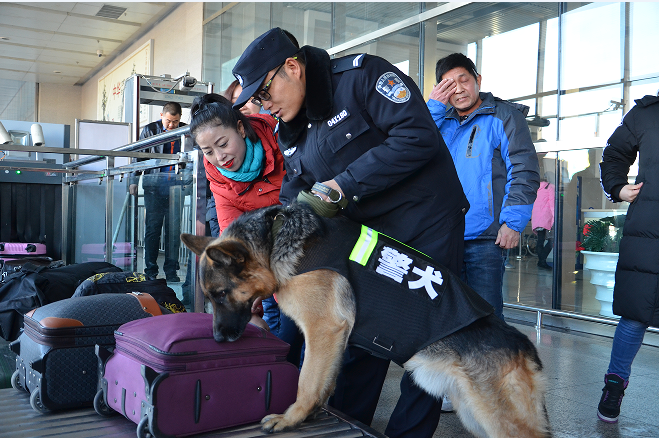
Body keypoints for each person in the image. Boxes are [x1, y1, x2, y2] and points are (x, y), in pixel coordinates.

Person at [231, 27, 470, 438]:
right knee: (360, 336)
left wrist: (345, 183)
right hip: (371, 242)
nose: (263, 106)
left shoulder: (363, 77)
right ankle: (345, 428)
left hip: (426, 223)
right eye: (256, 100)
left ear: (292, 68)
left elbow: (418, 137)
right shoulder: (292, 130)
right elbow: (295, 198)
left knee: (428, 345)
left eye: (264, 93)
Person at [427, 53, 540, 320]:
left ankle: (493, 364)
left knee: (485, 320)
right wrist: (433, 108)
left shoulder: (505, 117)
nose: (458, 89)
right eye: (448, 84)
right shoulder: (438, 122)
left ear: (477, 80)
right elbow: (411, 148)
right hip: (442, 237)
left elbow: (524, 170)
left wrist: (513, 223)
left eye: (463, 80)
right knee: (441, 317)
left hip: (485, 239)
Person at [189, 92, 285, 332]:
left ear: (241, 129)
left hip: (301, 251)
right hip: (265, 261)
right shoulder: (217, 178)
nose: (219, 158)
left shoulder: (281, 137)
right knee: (272, 319)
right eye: (208, 151)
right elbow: (232, 239)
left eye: (223, 144)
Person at [596, 92, 659, 424]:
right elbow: (615, 152)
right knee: (635, 315)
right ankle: (614, 386)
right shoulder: (646, 113)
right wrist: (617, 187)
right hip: (647, 231)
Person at [129, 102, 187, 283]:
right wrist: (134, 180)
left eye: (175, 122)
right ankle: (150, 270)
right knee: (153, 229)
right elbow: (139, 156)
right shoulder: (149, 130)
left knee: (174, 230)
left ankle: (171, 270)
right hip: (154, 186)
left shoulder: (185, 131)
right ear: (162, 115)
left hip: (176, 187)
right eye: (169, 121)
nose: (171, 126)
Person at [532, 180, 555, 270]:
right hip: (546, 218)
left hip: (537, 217)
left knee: (540, 241)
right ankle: (542, 261)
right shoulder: (550, 187)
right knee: (551, 241)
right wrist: (554, 218)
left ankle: (541, 261)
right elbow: (553, 204)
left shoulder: (536, 188)